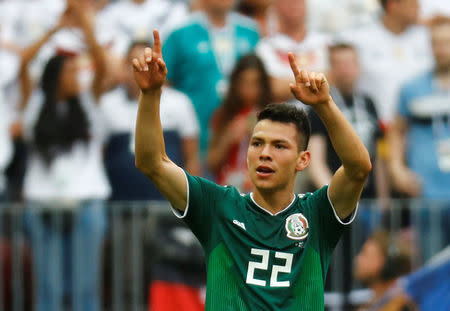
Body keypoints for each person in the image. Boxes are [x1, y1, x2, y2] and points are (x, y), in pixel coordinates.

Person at [133, 29, 371, 310]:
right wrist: (150, 94)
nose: (265, 154)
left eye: (279, 146)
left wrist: (325, 105)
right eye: (257, 143)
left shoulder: (318, 215)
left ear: (303, 160)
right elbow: (152, 163)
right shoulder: (219, 206)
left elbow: (358, 169)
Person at [20, 2, 110, 311]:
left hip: (86, 202)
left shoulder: (88, 101)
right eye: (71, 70)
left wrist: (85, 30)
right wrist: (53, 31)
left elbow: (103, 64)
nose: (78, 76)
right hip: (43, 203)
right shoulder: (35, 103)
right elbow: (22, 65)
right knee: (49, 289)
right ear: (55, 74)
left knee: (86, 288)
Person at [101, 40, 200, 201]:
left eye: (147, 63)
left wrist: (193, 202)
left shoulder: (180, 103)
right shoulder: (107, 105)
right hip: (120, 204)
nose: (141, 70)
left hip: (168, 202)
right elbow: (100, 155)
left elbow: (191, 159)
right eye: (133, 63)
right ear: (124, 68)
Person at [162, 0, 260, 157]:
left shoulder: (251, 31)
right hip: (195, 138)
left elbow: (263, 82)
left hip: (242, 142)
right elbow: (162, 82)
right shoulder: (180, 32)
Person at [388, 16, 450, 261]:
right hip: (426, 195)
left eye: (446, 42)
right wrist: (397, 170)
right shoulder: (411, 88)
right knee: (430, 268)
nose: (441, 49)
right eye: (436, 43)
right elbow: (396, 133)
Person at [340, 0, 433, 127]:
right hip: (377, 129)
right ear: (392, 5)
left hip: (421, 128)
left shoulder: (427, 35)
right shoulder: (359, 38)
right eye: (412, 4)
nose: (419, 7)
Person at [207, 53, 272, 192]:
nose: (249, 89)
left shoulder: (272, 115)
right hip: (230, 187)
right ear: (235, 84)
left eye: (255, 83)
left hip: (262, 186)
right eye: (244, 83)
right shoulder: (224, 115)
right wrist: (229, 138)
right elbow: (211, 163)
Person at [255, 0, 330, 104]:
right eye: (287, 2)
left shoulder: (324, 42)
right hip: (284, 116)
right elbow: (271, 87)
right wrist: (318, 83)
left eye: (297, 1)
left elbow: (337, 77)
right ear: (276, 6)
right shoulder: (265, 47)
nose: (293, 6)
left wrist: (287, 83)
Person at [354, 230, 416, 311]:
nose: (358, 260)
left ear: (387, 264)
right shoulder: (375, 302)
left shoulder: (399, 305)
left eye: (365, 255)